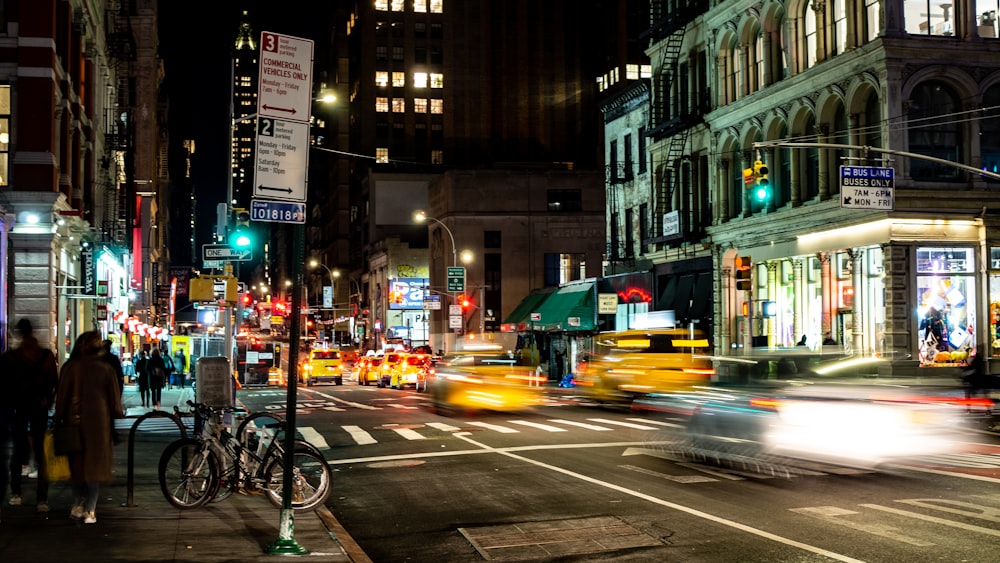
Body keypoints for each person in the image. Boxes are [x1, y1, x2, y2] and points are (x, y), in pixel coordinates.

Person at [54, 330, 124, 524]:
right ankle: (91, 510)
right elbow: (116, 405)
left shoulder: (70, 368)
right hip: (99, 425)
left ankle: (77, 504)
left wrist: (58, 417)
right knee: (95, 467)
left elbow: (62, 397)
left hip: (73, 423)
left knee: (76, 466)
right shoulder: (106, 369)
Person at [5, 319, 58, 514]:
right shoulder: (45, 356)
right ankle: (42, 499)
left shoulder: (11, 357)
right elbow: (54, 381)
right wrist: (47, 400)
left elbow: (4, 386)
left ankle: (16, 494)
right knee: (41, 453)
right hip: (40, 408)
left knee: (18, 452)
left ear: (19, 333)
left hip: (18, 409)